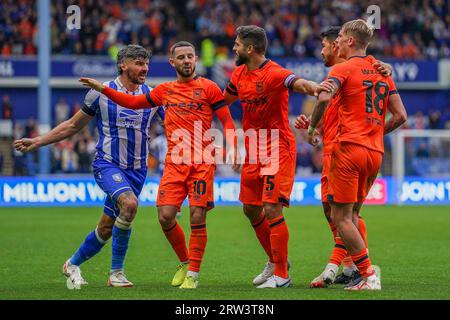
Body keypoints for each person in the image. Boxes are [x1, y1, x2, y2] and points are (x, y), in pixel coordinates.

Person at [79, 41, 239, 289]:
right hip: (174, 164)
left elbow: (227, 121)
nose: (186, 61)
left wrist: (233, 147)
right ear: (172, 62)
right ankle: (185, 262)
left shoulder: (209, 88)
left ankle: (193, 275)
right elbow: (132, 103)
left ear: (196, 59)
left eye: (190, 56)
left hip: (201, 163)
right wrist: (103, 88)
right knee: (165, 216)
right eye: (181, 57)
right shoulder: (164, 91)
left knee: (197, 216)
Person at [14, 45, 163, 289]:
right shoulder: (100, 93)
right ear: (123, 65)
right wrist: (38, 141)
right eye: (138, 62)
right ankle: (117, 273)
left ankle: (71, 263)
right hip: (108, 164)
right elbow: (73, 126)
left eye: (146, 63)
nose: (144, 67)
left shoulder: (152, 96)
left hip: (138, 170)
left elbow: (176, 125)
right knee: (130, 204)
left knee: (105, 228)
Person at [223, 25, 331, 288]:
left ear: (250, 49)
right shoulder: (238, 74)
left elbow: (296, 82)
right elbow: (223, 101)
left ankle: (282, 275)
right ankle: (275, 260)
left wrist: (314, 88)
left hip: (277, 148)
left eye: (237, 44)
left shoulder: (274, 73)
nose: (234, 48)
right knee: (250, 208)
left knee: (271, 207)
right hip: (253, 148)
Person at [307, 19, 407, 290]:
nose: (337, 40)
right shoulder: (381, 70)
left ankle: (368, 274)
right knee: (349, 216)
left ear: (350, 41)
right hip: (374, 152)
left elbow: (325, 97)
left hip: (347, 150)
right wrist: (373, 134)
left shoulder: (344, 68)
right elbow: (401, 116)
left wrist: (313, 127)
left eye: (339, 36)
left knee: (340, 217)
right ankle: (345, 268)